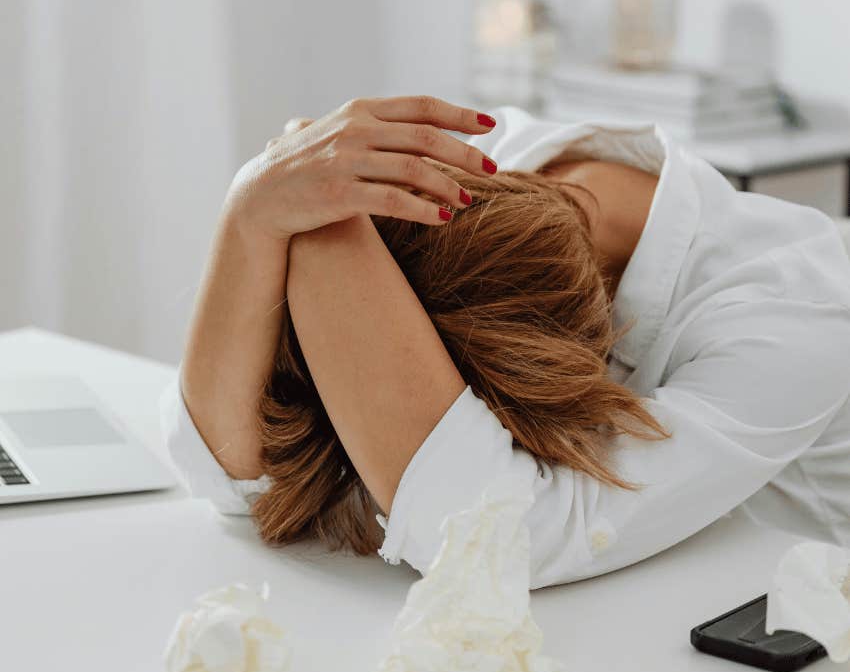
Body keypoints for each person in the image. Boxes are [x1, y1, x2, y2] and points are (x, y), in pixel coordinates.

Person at [161, 96, 850, 590]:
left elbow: (494, 540)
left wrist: (317, 227)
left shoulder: (800, 319)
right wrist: (254, 208)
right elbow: (231, 478)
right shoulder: (474, 169)